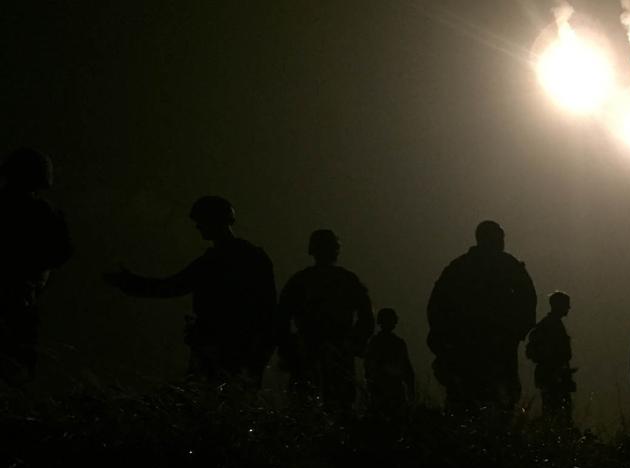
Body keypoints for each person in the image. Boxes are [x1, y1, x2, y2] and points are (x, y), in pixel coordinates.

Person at [104, 196, 276, 389]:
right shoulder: (254, 257)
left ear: (212, 221)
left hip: (216, 344)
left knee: (205, 395)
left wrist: (129, 282)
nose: (198, 227)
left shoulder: (213, 261)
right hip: (244, 345)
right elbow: (269, 307)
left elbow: (172, 287)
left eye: (201, 222)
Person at [427, 220, 537, 413]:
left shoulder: (459, 267)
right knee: (498, 399)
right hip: (494, 345)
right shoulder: (508, 266)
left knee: (466, 399)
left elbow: (437, 304)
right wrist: (516, 332)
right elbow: (528, 299)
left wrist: (443, 338)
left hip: (467, 345)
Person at [276, 229, 374, 412]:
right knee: (336, 406)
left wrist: (290, 347)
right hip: (330, 349)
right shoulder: (346, 279)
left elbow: (282, 317)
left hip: (316, 348)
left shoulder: (301, 280)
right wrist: (352, 343)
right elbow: (366, 317)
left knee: (307, 406)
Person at [0, 148, 73, 383]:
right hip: (23, 296)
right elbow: (62, 253)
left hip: (20, 293)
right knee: (18, 362)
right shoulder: (43, 212)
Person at [526, 291, 576, 426]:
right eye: (566, 305)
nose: (569, 308)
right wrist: (556, 369)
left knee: (553, 411)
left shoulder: (548, 325)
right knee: (557, 412)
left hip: (552, 375)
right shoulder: (552, 326)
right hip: (554, 376)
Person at [364, 308, 415, 417]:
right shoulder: (397, 343)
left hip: (384, 389)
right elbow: (407, 370)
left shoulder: (375, 343)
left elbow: (368, 368)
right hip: (390, 388)